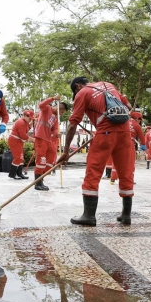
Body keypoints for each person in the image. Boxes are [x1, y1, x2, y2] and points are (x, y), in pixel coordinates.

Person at [57, 77, 133, 226]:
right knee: (126, 172)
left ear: (78, 86)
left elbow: (73, 125)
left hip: (105, 133)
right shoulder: (109, 84)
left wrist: (65, 152)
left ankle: (89, 216)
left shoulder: (83, 93)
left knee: (93, 172)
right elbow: (128, 106)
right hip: (125, 132)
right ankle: (126, 215)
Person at [33, 95, 66, 191]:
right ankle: (37, 184)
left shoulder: (55, 118)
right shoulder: (47, 109)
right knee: (41, 161)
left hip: (48, 140)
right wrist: (53, 98)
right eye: (62, 112)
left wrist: (57, 134)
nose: (62, 114)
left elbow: (55, 129)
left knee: (49, 163)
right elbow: (41, 104)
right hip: (40, 137)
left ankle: (41, 179)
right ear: (60, 108)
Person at [110, 111, 145, 185]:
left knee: (117, 160)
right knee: (130, 162)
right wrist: (143, 145)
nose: (140, 122)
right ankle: (130, 179)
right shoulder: (137, 125)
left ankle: (113, 178)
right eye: (140, 120)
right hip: (129, 143)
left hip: (118, 142)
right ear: (137, 118)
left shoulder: (123, 121)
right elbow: (141, 137)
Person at [7, 110, 34, 180]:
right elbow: (23, 135)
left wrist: (34, 121)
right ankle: (12, 174)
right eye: (29, 118)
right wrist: (32, 139)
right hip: (15, 140)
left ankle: (19, 173)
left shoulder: (24, 122)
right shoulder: (21, 123)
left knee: (21, 158)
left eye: (31, 118)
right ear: (25, 116)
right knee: (18, 157)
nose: (30, 119)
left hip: (18, 141)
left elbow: (28, 128)